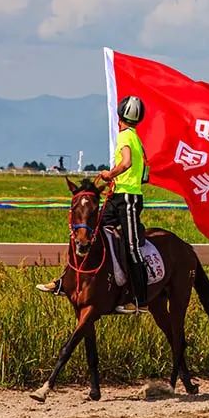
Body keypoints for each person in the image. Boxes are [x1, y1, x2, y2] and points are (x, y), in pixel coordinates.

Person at [37, 96, 151, 315]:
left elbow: (126, 162)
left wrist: (111, 174)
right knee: (91, 235)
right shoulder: (136, 138)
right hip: (120, 196)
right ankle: (65, 281)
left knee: (132, 247)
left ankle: (140, 299)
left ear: (119, 117)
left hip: (126, 198)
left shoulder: (125, 136)